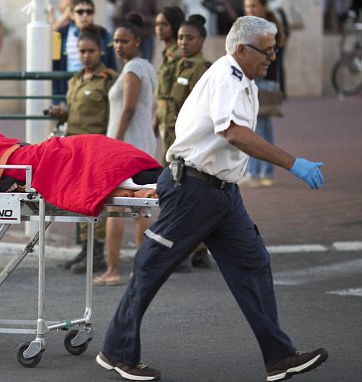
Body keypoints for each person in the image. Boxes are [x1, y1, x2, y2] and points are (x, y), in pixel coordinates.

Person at [95, 16, 328, 381]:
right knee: (150, 266)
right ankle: (116, 351)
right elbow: (233, 132)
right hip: (194, 189)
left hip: (222, 195)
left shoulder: (246, 81)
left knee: (252, 264)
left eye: (274, 50)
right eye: (267, 51)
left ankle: (280, 357)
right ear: (241, 50)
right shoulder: (227, 76)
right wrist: (291, 162)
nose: (272, 57)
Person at [0, 63, 163, 218]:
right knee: (88, 150)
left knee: (92, 147)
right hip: (19, 164)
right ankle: (157, 179)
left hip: (23, 156)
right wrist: (3, 181)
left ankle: (153, 177)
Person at [47, 26, 118, 273]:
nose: (86, 56)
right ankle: (86, 249)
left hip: (97, 148)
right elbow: (75, 113)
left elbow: (114, 115)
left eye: (91, 51)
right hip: (74, 147)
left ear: (100, 52)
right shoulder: (75, 80)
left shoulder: (109, 79)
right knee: (79, 199)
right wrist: (61, 113)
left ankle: (97, 251)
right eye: (82, 51)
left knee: (97, 199)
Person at [92, 14, 157, 283]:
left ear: (137, 41)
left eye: (124, 41)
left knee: (117, 208)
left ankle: (113, 270)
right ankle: (141, 271)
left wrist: (114, 144)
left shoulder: (132, 70)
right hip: (142, 145)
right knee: (141, 208)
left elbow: (128, 108)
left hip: (126, 150)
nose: (118, 46)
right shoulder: (147, 67)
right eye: (115, 41)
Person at [171, 14, 214, 272]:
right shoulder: (182, 65)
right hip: (178, 137)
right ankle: (196, 250)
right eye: (180, 38)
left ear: (202, 40)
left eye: (190, 38)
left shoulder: (201, 68)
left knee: (190, 195)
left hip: (193, 141)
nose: (184, 42)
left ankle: (194, 251)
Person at [243, 0, 286, 187]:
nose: (249, 10)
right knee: (262, 128)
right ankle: (262, 173)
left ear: (263, 7)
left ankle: (257, 173)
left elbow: (270, 55)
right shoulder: (248, 26)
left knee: (258, 129)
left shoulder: (269, 29)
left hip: (265, 81)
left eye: (253, 6)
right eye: (247, 6)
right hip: (256, 80)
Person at [53, 0, 116, 104]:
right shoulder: (60, 35)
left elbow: (111, 66)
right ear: (72, 15)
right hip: (67, 93)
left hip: (97, 94)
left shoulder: (104, 35)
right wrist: (58, 100)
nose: (85, 15)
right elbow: (55, 69)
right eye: (80, 12)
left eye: (89, 12)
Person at [153, 5, 185, 167]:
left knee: (170, 162)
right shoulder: (166, 53)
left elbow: (178, 90)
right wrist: (157, 119)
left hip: (173, 116)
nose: (159, 29)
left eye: (164, 25)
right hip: (164, 115)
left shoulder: (179, 54)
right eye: (157, 24)